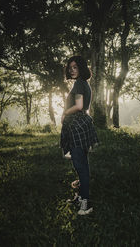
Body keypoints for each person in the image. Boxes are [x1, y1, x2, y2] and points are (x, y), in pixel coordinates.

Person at [60, 55, 99, 215]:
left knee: (80, 165)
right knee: (82, 164)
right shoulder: (84, 84)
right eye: (70, 68)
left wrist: (64, 113)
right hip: (81, 124)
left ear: (82, 68)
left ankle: (86, 203)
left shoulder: (79, 84)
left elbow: (79, 106)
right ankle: (81, 195)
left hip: (76, 125)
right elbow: (84, 107)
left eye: (75, 67)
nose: (72, 70)